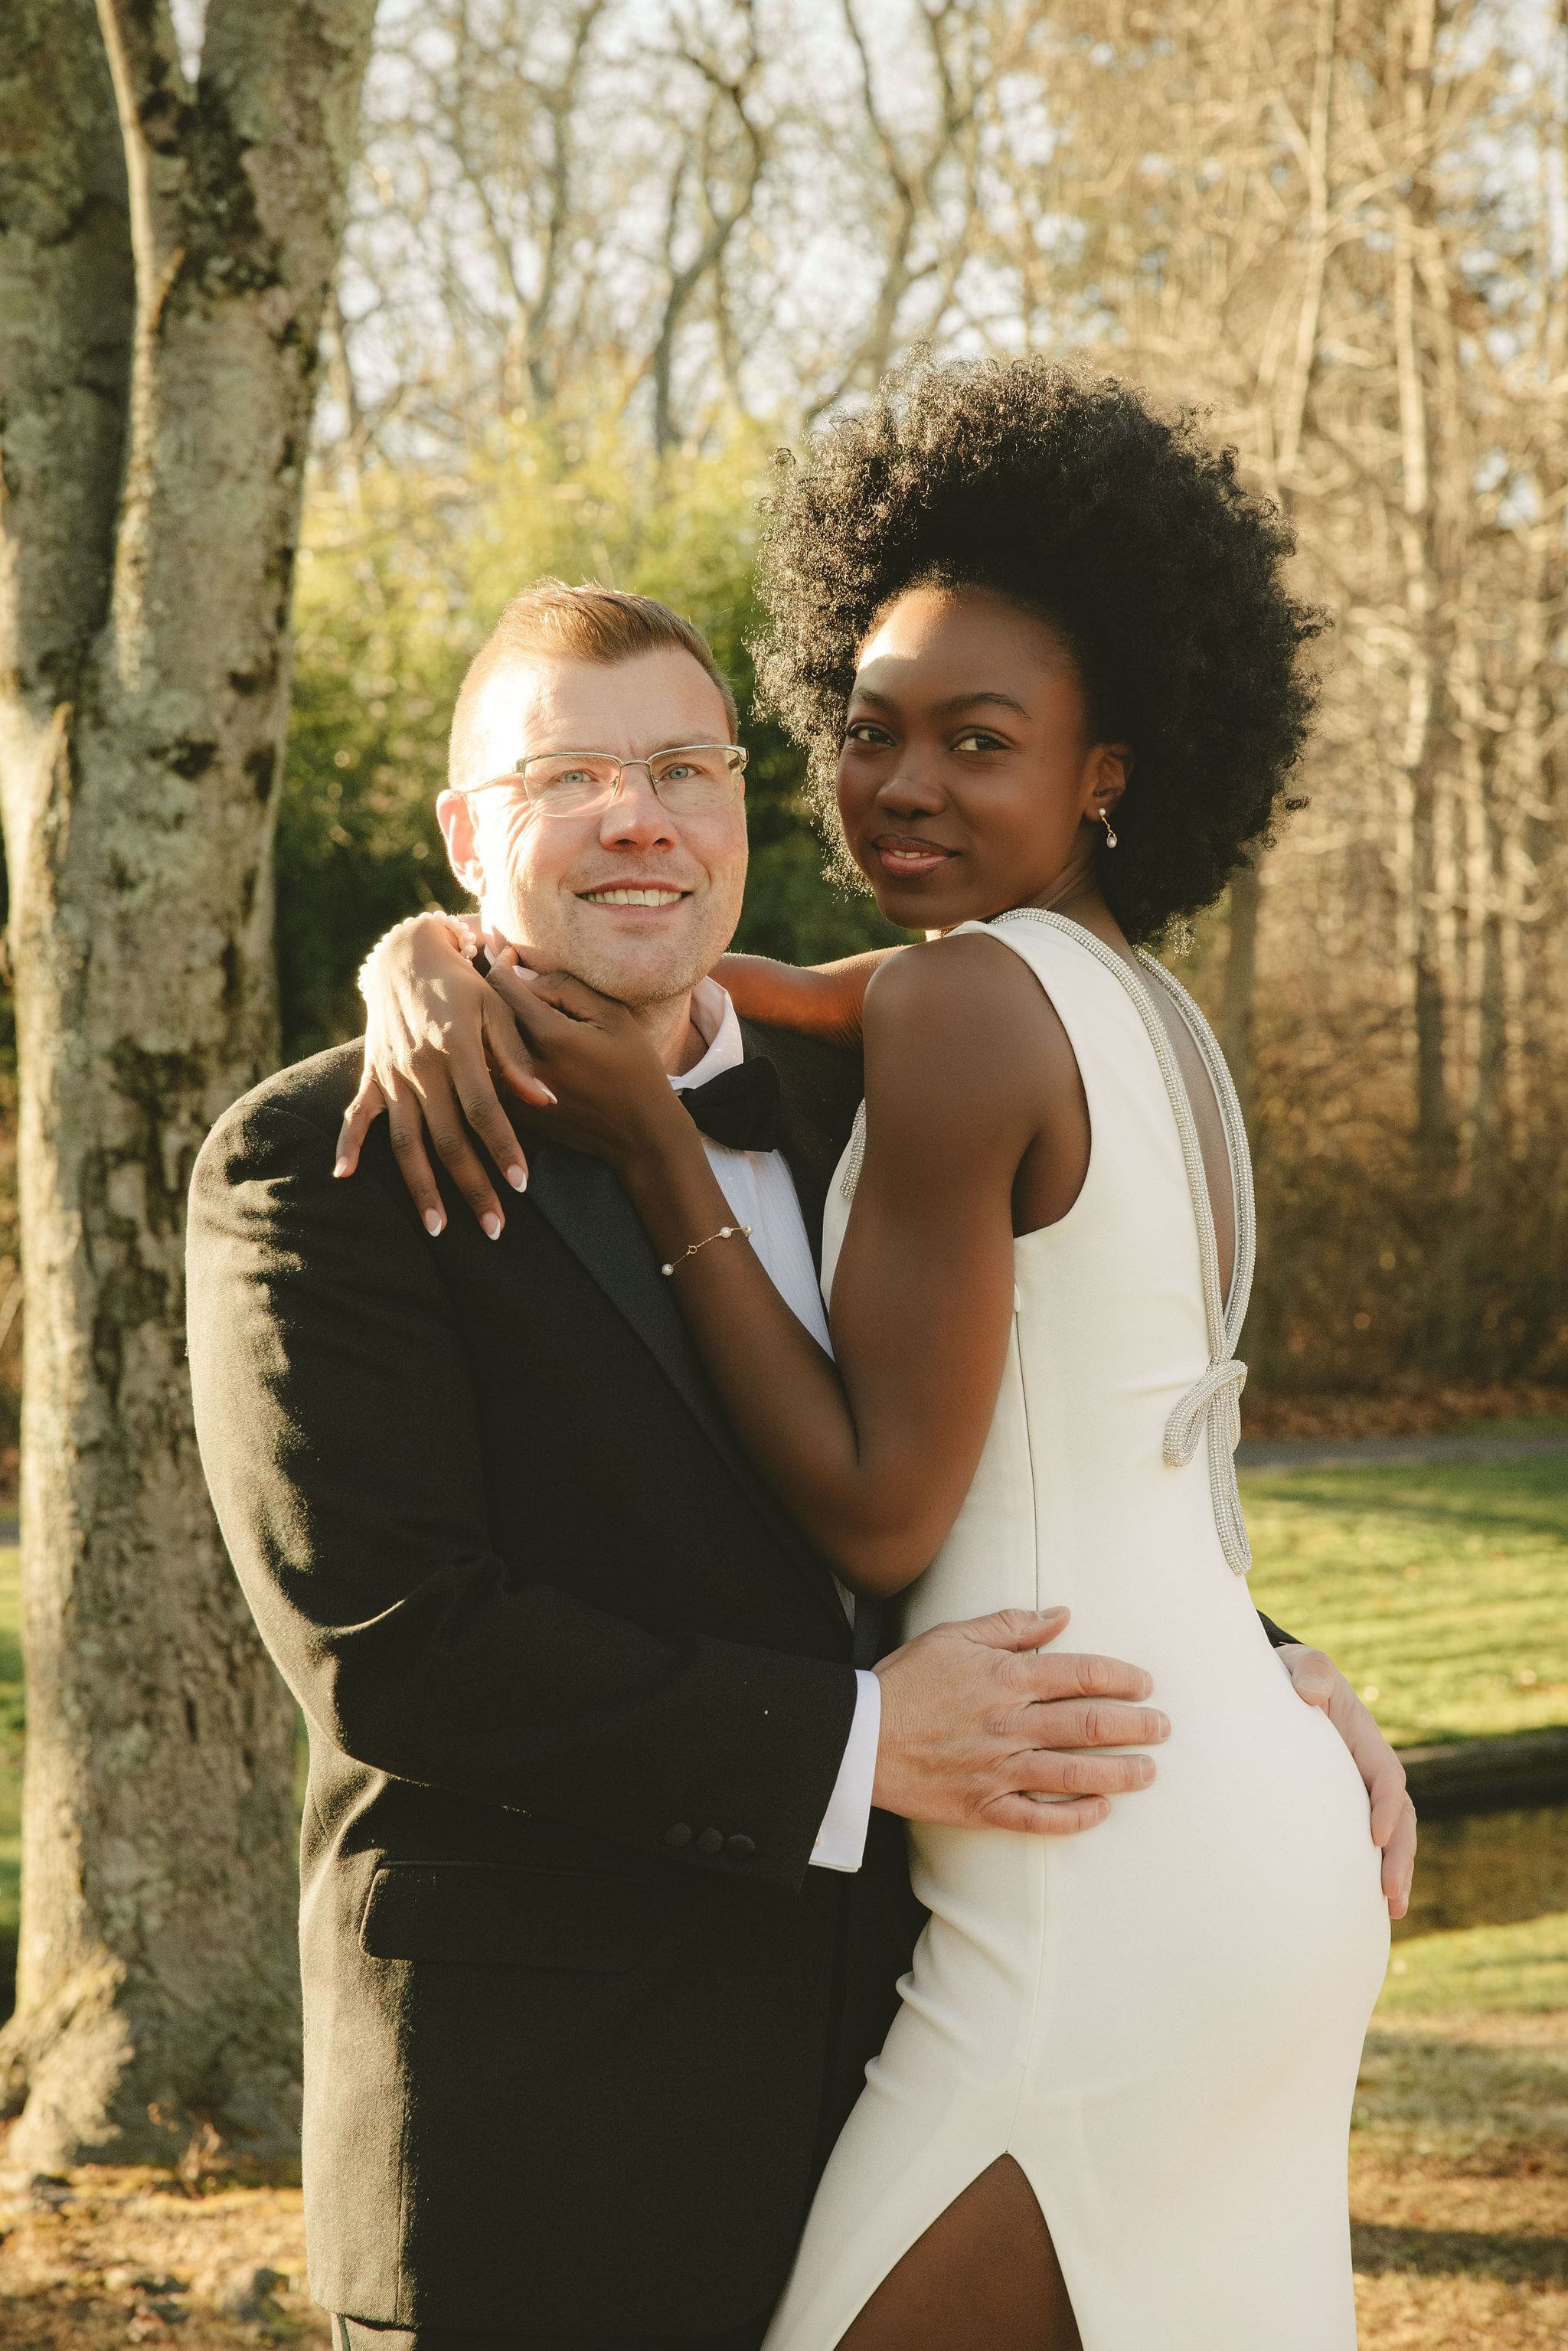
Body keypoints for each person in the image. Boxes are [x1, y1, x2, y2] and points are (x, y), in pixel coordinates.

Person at [341, 361, 1411, 2350]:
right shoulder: (1126, 1007)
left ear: (1108, 768)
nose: (904, 787)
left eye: (978, 743)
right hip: (1245, 1827)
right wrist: (429, 950)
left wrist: (663, 1150)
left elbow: (881, 1498)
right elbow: (712, 972)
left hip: (1090, 1887)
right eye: (869, 731)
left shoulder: (965, 1013)